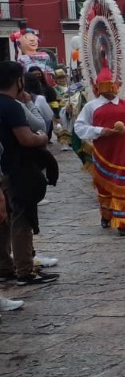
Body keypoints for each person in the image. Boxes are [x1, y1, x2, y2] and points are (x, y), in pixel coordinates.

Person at [0, 60, 58, 287]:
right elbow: (26, 138)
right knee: (22, 219)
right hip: (17, 169)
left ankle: (5, 267)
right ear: (18, 81)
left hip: (3, 168)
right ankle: (25, 269)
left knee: (4, 221)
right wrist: (42, 138)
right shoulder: (12, 106)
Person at [74, 65, 125, 235]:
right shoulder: (92, 107)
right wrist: (100, 131)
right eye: (106, 88)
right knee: (104, 187)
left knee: (124, 186)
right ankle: (106, 215)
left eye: (113, 87)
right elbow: (79, 127)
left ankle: (123, 222)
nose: (111, 91)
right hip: (103, 154)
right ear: (99, 88)